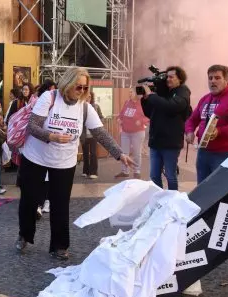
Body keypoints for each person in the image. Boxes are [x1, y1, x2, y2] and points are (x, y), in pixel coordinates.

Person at [16, 67, 135, 260]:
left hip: (64, 161)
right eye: (78, 87)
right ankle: (25, 235)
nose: (81, 91)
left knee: (60, 204)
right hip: (35, 157)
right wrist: (51, 136)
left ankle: (59, 246)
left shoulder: (84, 107)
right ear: (68, 84)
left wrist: (119, 154)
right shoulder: (50, 98)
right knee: (30, 200)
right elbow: (33, 126)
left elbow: (100, 133)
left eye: (84, 88)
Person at [185, 65, 228, 184]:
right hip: (203, 153)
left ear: (226, 80)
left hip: (224, 154)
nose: (213, 81)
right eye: (210, 78)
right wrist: (189, 131)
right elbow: (192, 119)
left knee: (218, 195)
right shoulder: (205, 98)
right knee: (202, 192)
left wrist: (219, 131)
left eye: (217, 78)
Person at [140, 66, 191, 190]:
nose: (168, 79)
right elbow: (149, 113)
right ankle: (159, 201)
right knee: (154, 176)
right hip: (156, 141)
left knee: (170, 175)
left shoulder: (182, 91)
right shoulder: (161, 93)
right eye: (167, 76)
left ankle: (172, 201)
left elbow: (172, 106)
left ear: (180, 79)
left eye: (171, 77)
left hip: (171, 143)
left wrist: (151, 96)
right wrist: (145, 100)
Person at [115, 90, 149, 179]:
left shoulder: (142, 104)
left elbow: (148, 116)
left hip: (137, 133)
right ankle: (124, 171)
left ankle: (137, 171)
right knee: (124, 152)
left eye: (131, 92)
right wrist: (119, 118)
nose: (129, 93)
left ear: (136, 93)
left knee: (136, 153)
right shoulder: (127, 102)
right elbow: (121, 114)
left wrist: (141, 121)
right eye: (129, 92)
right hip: (125, 132)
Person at [81, 91, 104, 179]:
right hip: (84, 134)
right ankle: (85, 171)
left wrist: (98, 123)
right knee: (85, 153)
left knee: (93, 153)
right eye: (87, 96)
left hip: (93, 134)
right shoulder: (81, 107)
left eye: (90, 97)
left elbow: (102, 117)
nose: (88, 98)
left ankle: (94, 172)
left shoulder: (96, 106)